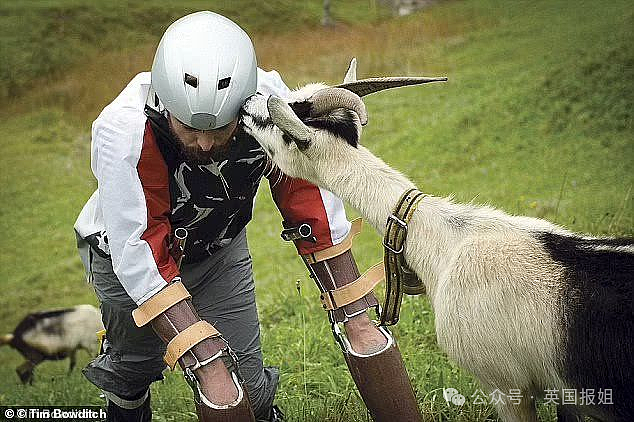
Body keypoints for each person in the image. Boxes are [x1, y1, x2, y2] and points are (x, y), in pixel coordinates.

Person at [74, 11, 421, 422]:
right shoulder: (123, 131)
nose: (204, 143)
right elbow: (139, 249)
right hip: (123, 260)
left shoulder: (267, 103)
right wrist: (198, 348)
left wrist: (353, 311)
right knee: (136, 372)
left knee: (242, 389)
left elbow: (304, 190)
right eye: (188, 127)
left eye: (220, 128)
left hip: (218, 252)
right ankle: (126, 403)